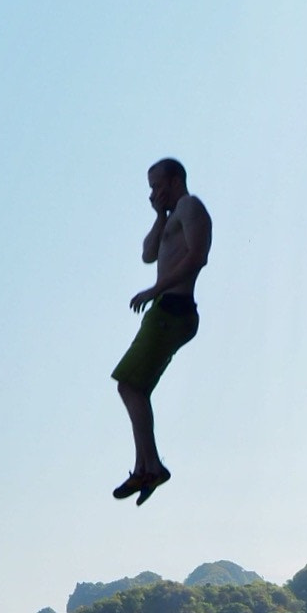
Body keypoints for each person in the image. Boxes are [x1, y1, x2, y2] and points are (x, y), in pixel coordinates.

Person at [111, 158, 212, 504]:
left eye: (157, 186)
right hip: (165, 310)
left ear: (175, 180)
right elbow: (148, 254)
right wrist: (158, 216)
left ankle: (150, 466)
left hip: (174, 309)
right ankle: (146, 467)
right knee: (135, 389)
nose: (154, 193)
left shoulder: (190, 207)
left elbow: (197, 257)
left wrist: (154, 290)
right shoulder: (171, 216)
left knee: (129, 385)